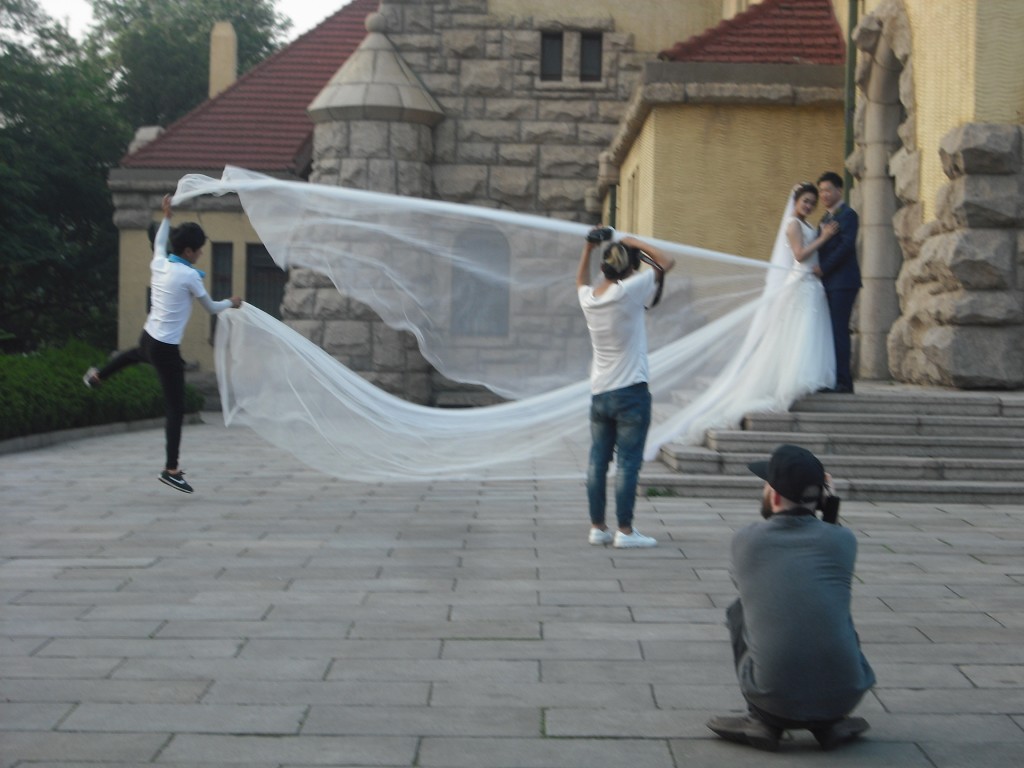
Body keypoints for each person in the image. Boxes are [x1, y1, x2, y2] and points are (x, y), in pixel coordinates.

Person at [706, 444, 876, 752]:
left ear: (773, 495)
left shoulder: (746, 540)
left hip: (773, 700)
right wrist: (830, 509)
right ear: (822, 496)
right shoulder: (844, 541)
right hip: (846, 697)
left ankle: (761, 719)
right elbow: (824, 546)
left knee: (741, 610)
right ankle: (829, 723)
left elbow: (758, 589)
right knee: (829, 604)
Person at [83, 195, 242, 494]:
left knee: (134, 355)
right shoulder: (189, 276)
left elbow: (159, 241)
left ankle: (97, 377)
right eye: (199, 251)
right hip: (166, 348)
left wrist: (167, 216)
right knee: (176, 409)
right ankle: (171, 469)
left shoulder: (160, 262)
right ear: (188, 250)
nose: (201, 255)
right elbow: (210, 307)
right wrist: (231, 303)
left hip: (150, 335)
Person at [576, 228, 675, 548]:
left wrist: (588, 249)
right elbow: (667, 261)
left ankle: (597, 527)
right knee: (628, 463)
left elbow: (579, 282)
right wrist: (632, 240)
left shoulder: (590, 298)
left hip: (600, 393)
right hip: (630, 391)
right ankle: (626, 531)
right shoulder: (629, 290)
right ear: (629, 268)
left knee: (596, 462)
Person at [814, 171, 861, 393]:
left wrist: (823, 268)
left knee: (839, 330)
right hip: (827, 283)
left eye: (828, 190)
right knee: (829, 331)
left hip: (843, 281)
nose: (824, 194)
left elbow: (845, 247)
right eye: (821, 190)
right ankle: (831, 377)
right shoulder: (824, 219)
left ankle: (844, 381)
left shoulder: (848, 215)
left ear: (839, 190)